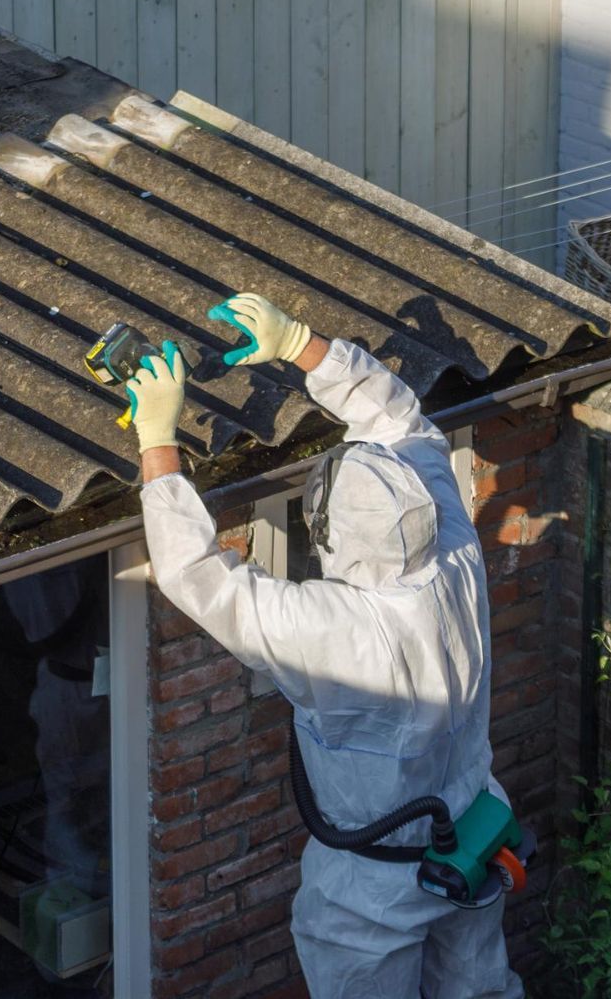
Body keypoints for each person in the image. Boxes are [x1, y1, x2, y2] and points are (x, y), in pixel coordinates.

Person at [122, 293, 523, 999]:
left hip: (375, 881)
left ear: (330, 537)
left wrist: (159, 439)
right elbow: (403, 420)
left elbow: (196, 575)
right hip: (472, 832)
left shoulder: (334, 631)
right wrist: (302, 342)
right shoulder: (455, 548)